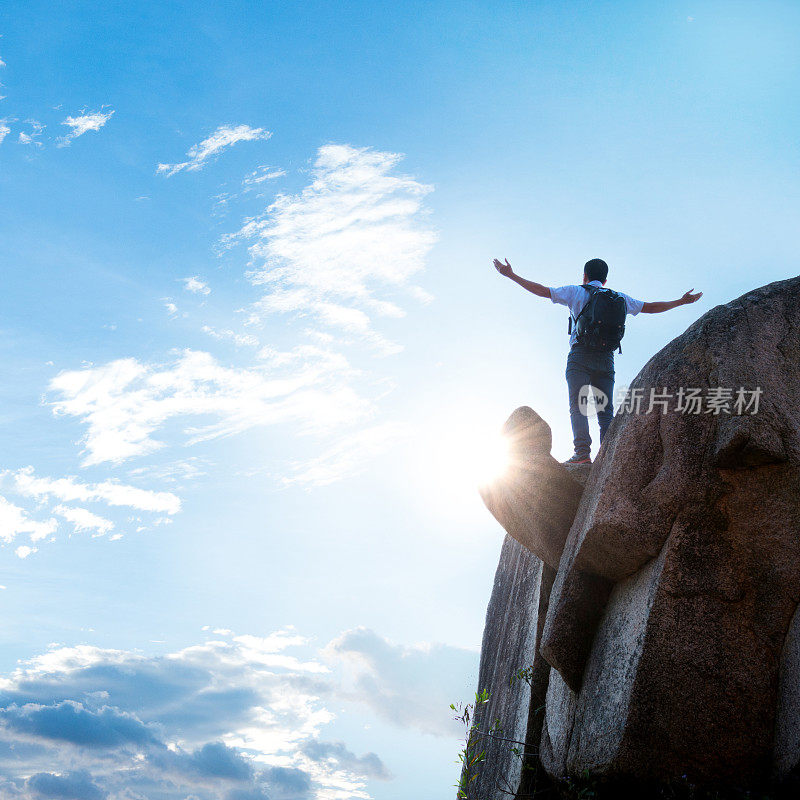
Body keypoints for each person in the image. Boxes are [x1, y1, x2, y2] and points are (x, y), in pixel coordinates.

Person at [493, 257, 702, 464]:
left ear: (585, 276)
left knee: (578, 405)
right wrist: (681, 301)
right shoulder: (619, 298)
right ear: (605, 280)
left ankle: (582, 453)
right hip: (606, 359)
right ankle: (609, 457)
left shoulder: (576, 291)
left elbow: (542, 290)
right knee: (605, 411)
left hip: (580, 357)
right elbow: (650, 307)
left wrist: (511, 275)